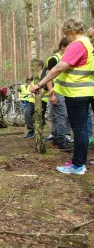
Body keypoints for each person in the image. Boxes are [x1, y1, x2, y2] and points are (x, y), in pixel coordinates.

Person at [31, 17, 94, 175]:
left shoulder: (77, 44)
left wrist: (39, 85)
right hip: (85, 92)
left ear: (71, 31)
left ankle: (78, 165)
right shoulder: (88, 43)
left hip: (76, 94)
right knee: (82, 129)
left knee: (79, 129)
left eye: (66, 33)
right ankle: (78, 162)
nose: (66, 37)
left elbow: (58, 68)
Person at [44, 37, 73, 150]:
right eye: (69, 47)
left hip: (63, 91)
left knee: (57, 116)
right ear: (63, 47)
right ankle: (61, 141)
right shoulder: (54, 59)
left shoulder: (64, 58)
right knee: (62, 116)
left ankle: (56, 138)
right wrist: (51, 93)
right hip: (57, 91)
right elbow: (49, 77)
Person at [24, 60, 48, 139]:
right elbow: (31, 88)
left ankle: (39, 132)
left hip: (43, 100)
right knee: (27, 113)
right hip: (32, 100)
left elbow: (45, 88)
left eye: (34, 66)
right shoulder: (33, 76)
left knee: (40, 116)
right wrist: (34, 97)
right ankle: (31, 130)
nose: (33, 68)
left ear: (40, 66)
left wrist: (38, 99)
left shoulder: (45, 76)